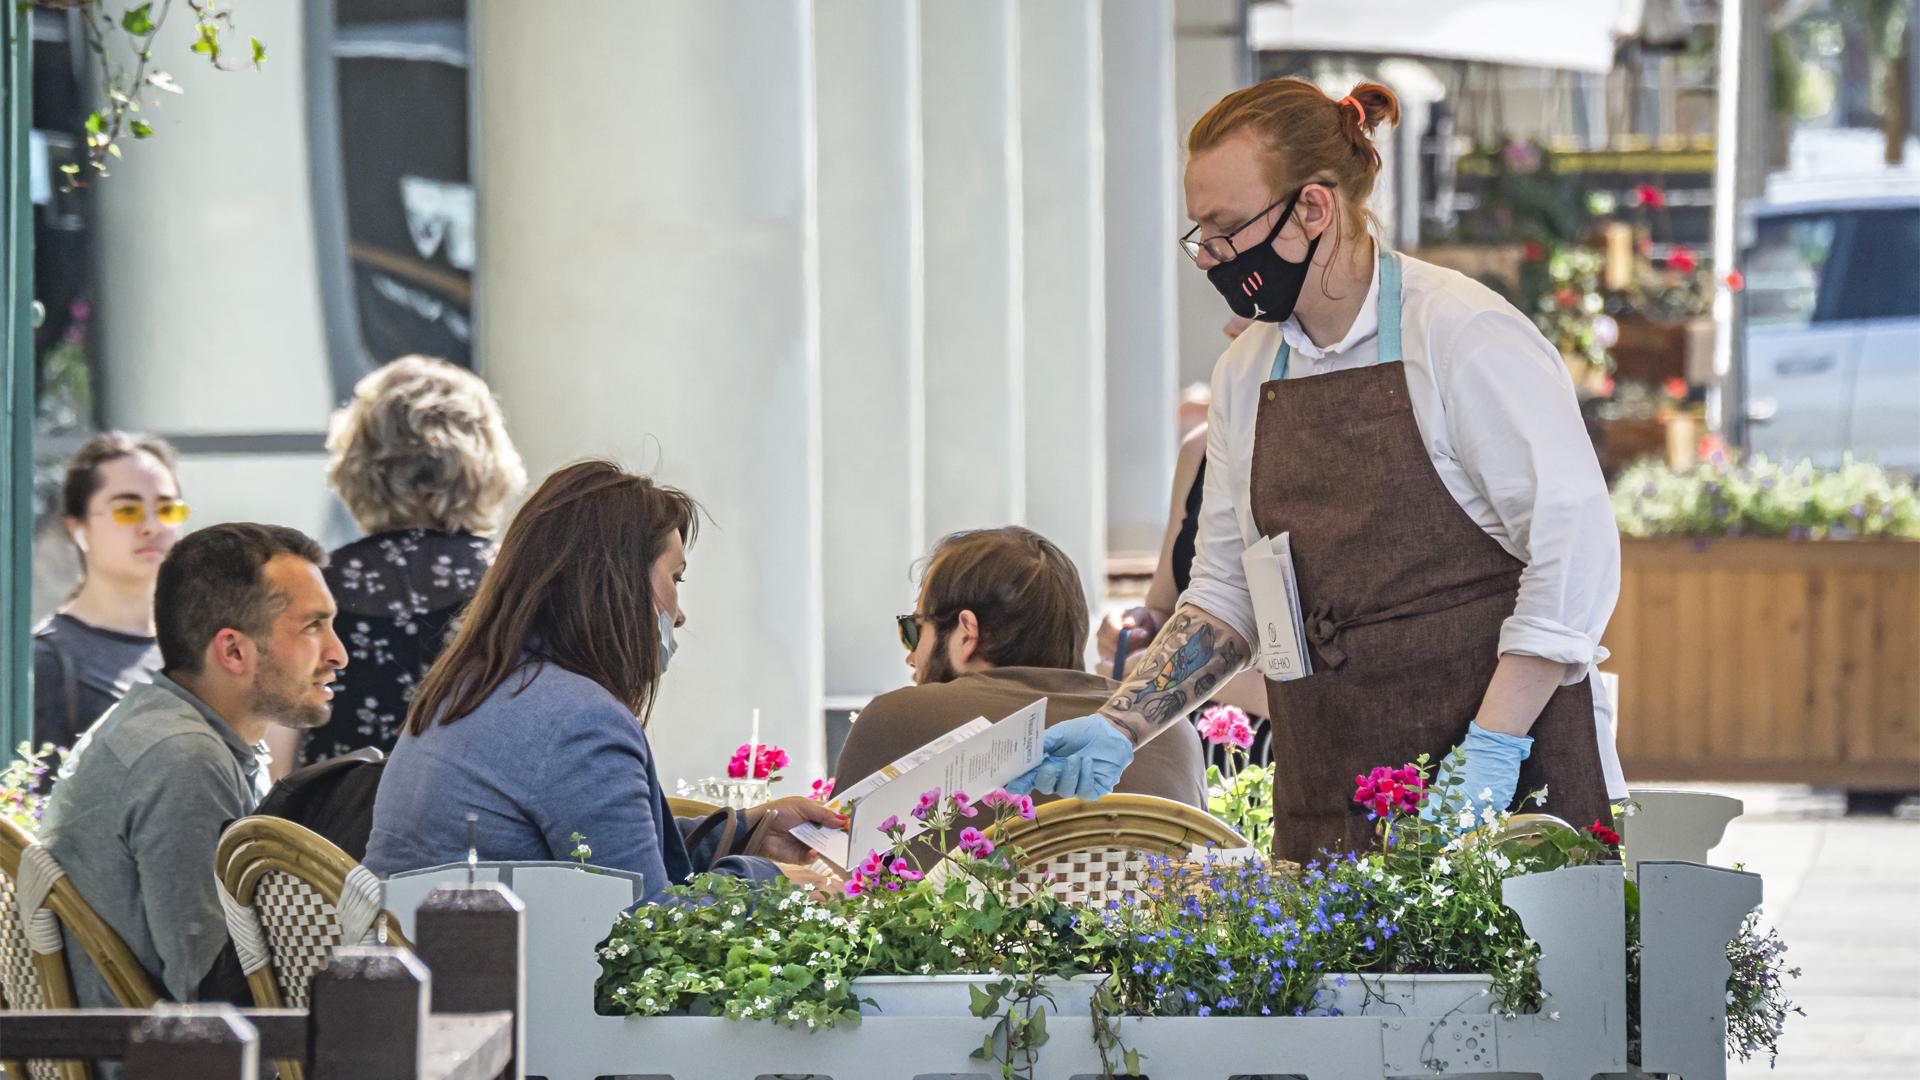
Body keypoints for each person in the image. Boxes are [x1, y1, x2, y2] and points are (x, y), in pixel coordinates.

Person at [1013, 78, 1625, 864]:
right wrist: (1122, 721)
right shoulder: (1246, 374)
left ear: (1313, 209)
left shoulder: (1461, 334)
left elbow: (1574, 550)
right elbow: (1227, 590)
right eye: (1200, 233)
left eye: (1227, 229)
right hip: (1327, 784)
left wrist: (1493, 748)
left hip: (1505, 786)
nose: (1211, 256)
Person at [364, 460, 843, 900]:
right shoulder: (579, 720)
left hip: (432, 959)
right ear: (617, 582)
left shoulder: (470, 687)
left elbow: (606, 852)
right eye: (676, 579)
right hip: (500, 966)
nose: (679, 614)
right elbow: (645, 926)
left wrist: (747, 832)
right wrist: (769, 882)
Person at [40, 523, 347, 1006]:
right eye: (312, 626)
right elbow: (213, 997)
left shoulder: (171, 728)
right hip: (151, 1046)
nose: (338, 654)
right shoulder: (184, 760)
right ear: (233, 651)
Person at [269, 355, 526, 776]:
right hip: (476, 811)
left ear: (359, 460)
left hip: (341, 814)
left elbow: (275, 756)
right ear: (485, 458)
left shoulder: (312, 586)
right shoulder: (519, 582)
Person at [833, 526, 1206, 808]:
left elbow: (836, 875)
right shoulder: (1169, 732)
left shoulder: (897, 719)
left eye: (914, 630)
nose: (911, 657)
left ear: (966, 633)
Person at [32, 432, 187, 758]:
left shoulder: (201, 650)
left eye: (166, 509)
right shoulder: (46, 662)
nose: (152, 526)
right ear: (78, 528)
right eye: (127, 510)